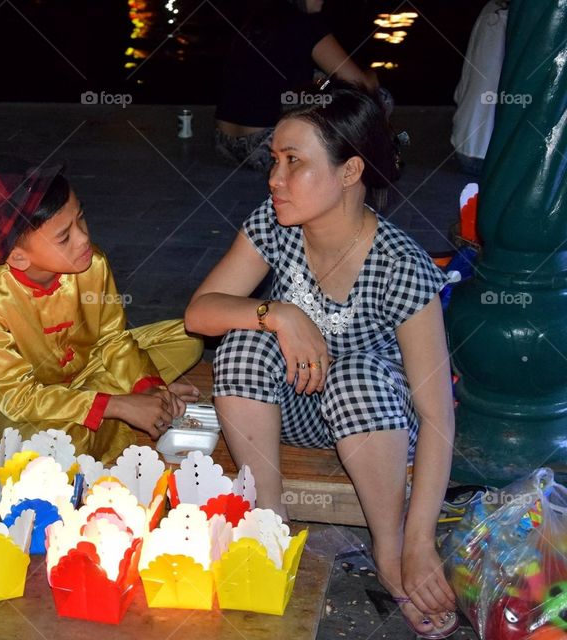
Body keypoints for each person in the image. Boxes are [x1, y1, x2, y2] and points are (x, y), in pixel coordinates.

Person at [187, 83, 458, 638]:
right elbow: (200, 314)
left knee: (355, 374)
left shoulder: (400, 265)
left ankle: (387, 547)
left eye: (293, 163)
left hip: (373, 421)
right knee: (242, 341)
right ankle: (270, 520)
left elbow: (436, 414)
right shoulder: (274, 225)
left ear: (350, 172)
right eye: (274, 161)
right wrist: (279, 313)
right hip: (294, 408)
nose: (274, 178)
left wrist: (418, 539)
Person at [0, 155, 203, 465]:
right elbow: (17, 398)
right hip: (4, 406)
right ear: (18, 259)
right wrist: (119, 406)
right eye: (64, 236)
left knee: (188, 339)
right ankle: (107, 408)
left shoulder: (91, 263)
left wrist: (149, 388)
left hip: (84, 371)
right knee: (57, 447)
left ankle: (116, 402)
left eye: (80, 217)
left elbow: (113, 340)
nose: (84, 238)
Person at [214, 0, 379, 172]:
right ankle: (375, 163)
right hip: (267, 149)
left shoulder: (256, 21)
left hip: (225, 143)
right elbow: (361, 84)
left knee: (322, 82)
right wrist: (371, 75)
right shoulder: (308, 24)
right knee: (380, 97)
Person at [451, 0, 509, 176]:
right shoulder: (520, 23)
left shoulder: (490, 9)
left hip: (462, 147)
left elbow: (462, 89)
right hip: (490, 158)